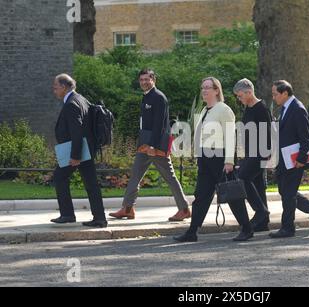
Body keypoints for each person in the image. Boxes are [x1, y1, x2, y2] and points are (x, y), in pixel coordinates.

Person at [173, 77, 253, 242]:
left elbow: (231, 136)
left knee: (231, 194)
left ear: (216, 90)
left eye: (207, 88)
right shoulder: (204, 110)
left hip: (220, 157)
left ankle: (247, 228)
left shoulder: (224, 110)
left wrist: (229, 161)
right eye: (202, 88)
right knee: (201, 195)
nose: (204, 91)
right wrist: (198, 155)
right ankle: (192, 231)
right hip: (205, 157)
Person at [109, 69, 190, 221]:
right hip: (144, 144)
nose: (144, 82)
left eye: (147, 79)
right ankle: (127, 208)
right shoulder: (146, 97)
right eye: (141, 80)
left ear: (154, 80)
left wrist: (153, 146)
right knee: (135, 176)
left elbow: (160, 124)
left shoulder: (159, 97)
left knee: (170, 178)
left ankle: (184, 209)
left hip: (155, 146)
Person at [269, 80, 309, 238]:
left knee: (288, 194)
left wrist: (301, 159)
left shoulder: (297, 109)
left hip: (294, 160)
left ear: (285, 93)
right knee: (286, 191)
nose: (273, 97)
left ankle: (288, 228)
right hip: (285, 159)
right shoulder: (286, 108)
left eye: (275, 94)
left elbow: (306, 138)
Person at [51, 74, 107, 228]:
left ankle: (68, 214)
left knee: (59, 177)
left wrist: (75, 156)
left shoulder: (71, 104)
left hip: (78, 151)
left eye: (55, 88)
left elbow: (77, 132)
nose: (54, 91)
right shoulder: (81, 99)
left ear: (64, 87)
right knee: (91, 183)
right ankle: (99, 218)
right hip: (85, 149)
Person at [233, 78, 271, 232]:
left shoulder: (261, 108)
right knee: (258, 186)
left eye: (240, 95)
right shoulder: (248, 108)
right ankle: (263, 223)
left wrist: (266, 155)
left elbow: (268, 133)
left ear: (249, 92)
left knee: (243, 178)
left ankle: (261, 211)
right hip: (251, 152)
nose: (238, 98)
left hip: (260, 152)